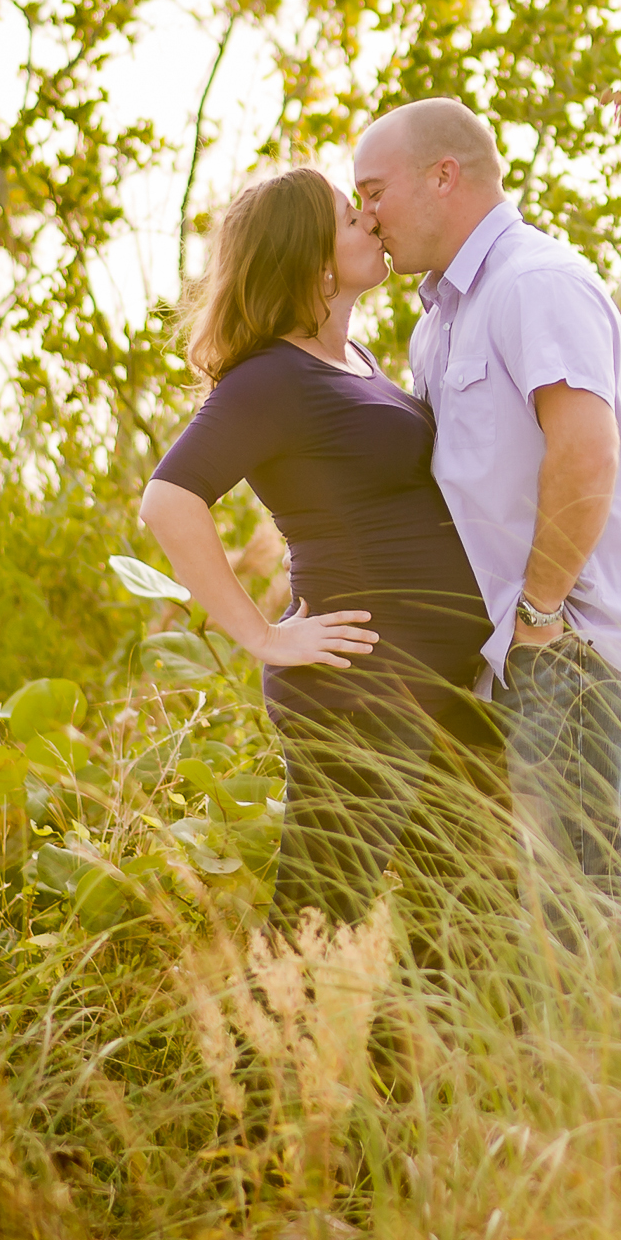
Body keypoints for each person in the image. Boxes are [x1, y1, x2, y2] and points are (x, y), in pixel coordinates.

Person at [349, 96, 621, 937]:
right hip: (511, 656)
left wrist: (538, 615)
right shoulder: (439, 323)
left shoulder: (534, 283)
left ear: (443, 176)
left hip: (574, 645)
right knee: (505, 922)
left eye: (373, 190)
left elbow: (586, 448)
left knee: (572, 911)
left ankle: (616, 1071)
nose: (365, 216)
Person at [138, 164, 508, 938]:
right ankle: (266, 1060)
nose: (371, 222)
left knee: (469, 917)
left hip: (442, 681)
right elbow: (169, 501)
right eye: (351, 217)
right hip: (362, 688)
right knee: (317, 922)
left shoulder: (359, 362)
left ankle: (412, 1063)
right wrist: (263, 637)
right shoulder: (272, 377)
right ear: (311, 257)